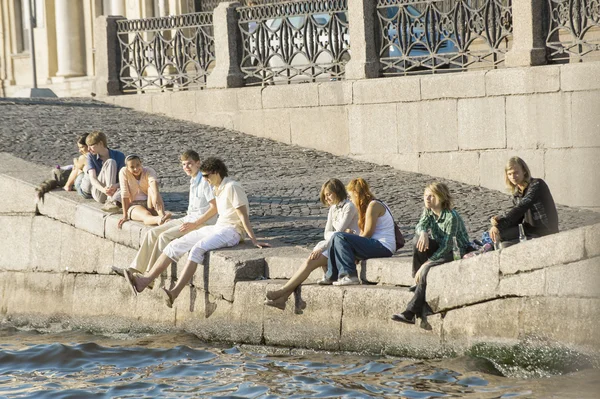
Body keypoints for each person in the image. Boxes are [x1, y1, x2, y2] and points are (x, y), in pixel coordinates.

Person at [122, 157, 270, 307]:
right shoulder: (217, 188)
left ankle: (174, 292)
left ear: (217, 172)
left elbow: (243, 216)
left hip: (232, 231)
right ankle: (144, 280)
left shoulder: (232, 187)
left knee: (197, 249)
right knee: (175, 245)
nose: (205, 179)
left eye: (206, 176)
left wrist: (254, 240)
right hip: (218, 227)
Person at [119, 150, 218, 282]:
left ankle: (149, 278)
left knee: (164, 237)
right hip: (188, 218)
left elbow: (215, 208)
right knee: (152, 233)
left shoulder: (205, 181)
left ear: (198, 163)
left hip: (201, 223)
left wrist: (195, 224)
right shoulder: (193, 180)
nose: (186, 167)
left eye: (189, 164)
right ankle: (134, 270)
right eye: (184, 164)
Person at [264, 178, 359, 308]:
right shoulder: (333, 209)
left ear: (337, 192)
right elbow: (327, 233)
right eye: (325, 196)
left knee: (310, 262)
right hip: (332, 245)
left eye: (329, 194)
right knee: (309, 261)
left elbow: (339, 234)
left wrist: (322, 247)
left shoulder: (349, 207)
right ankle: (283, 297)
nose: (327, 198)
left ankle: (283, 292)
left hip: (343, 247)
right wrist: (323, 244)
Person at [392, 182, 470, 328]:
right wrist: (423, 233)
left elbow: (448, 245)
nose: (427, 199)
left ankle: (410, 312)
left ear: (441, 198)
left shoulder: (450, 217)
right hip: (440, 248)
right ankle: (417, 282)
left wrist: (426, 264)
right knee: (417, 240)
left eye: (432, 196)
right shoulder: (428, 211)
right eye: (426, 196)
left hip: (456, 251)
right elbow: (420, 225)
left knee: (427, 270)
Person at [323, 178, 396, 286]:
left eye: (351, 197)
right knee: (337, 237)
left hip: (384, 246)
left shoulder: (374, 205)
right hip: (376, 244)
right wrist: (353, 239)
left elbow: (368, 234)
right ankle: (332, 275)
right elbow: (363, 234)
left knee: (339, 236)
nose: (351, 200)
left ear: (356, 194)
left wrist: (351, 240)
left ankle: (349, 275)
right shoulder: (366, 207)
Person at [489, 156, 558, 246]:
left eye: (516, 173)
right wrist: (498, 222)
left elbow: (522, 207)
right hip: (528, 229)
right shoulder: (517, 192)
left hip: (544, 231)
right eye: (509, 174)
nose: (513, 177)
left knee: (505, 245)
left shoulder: (537, 184)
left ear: (524, 171)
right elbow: (517, 217)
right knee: (498, 234)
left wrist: (499, 226)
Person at [117, 154, 171, 228]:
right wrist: (125, 215)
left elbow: (153, 183)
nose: (136, 169)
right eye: (132, 167)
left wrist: (156, 196)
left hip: (149, 202)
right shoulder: (124, 172)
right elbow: (124, 193)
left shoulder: (149, 170)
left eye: (138, 165)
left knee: (152, 189)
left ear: (141, 163)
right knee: (146, 215)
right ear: (127, 167)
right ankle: (160, 220)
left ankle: (162, 215)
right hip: (134, 205)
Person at [78, 131, 126, 212]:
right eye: (88, 146)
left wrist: (115, 185)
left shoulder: (119, 155)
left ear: (100, 143)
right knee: (111, 162)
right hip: (99, 192)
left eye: (91, 146)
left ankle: (112, 200)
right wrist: (104, 190)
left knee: (111, 162)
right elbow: (93, 179)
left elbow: (125, 178)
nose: (88, 149)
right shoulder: (90, 156)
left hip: (115, 190)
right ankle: (110, 200)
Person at [35, 134, 89, 202]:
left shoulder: (84, 158)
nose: (80, 151)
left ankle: (67, 186)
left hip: (83, 188)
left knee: (75, 170)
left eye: (82, 147)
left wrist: (75, 161)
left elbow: (77, 168)